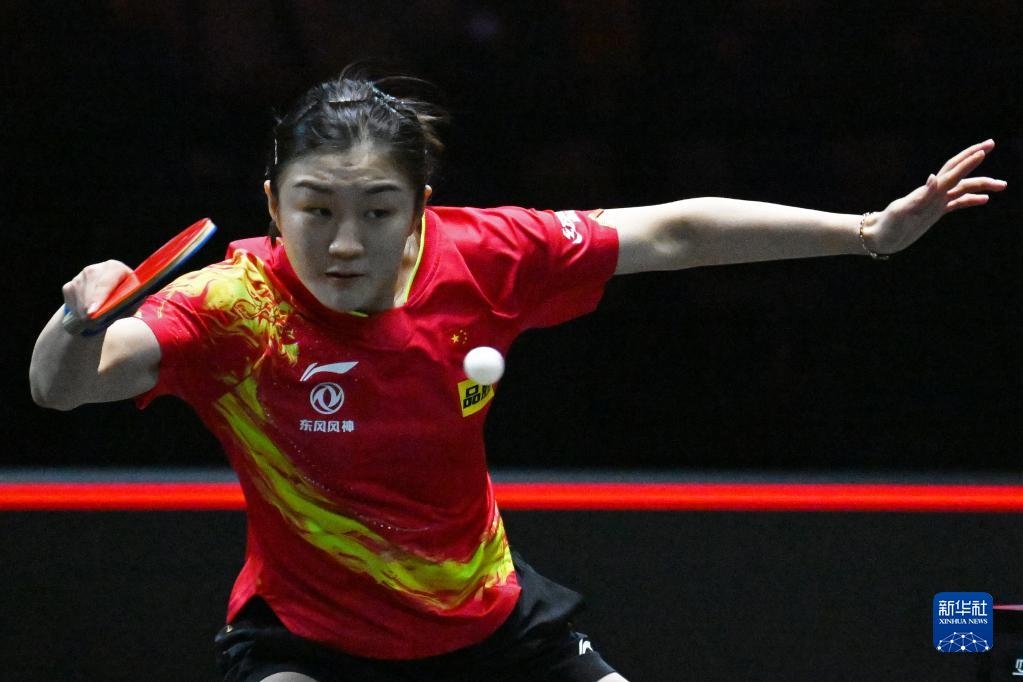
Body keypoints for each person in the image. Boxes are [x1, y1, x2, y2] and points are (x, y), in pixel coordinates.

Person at [29, 66, 1006, 682]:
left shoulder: (482, 256)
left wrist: (867, 233)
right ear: (272, 205)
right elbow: (63, 385)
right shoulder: (234, 307)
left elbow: (673, 231)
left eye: (376, 211)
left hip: (491, 625)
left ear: (420, 207)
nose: (344, 242)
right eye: (315, 209)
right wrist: (76, 322)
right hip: (307, 645)